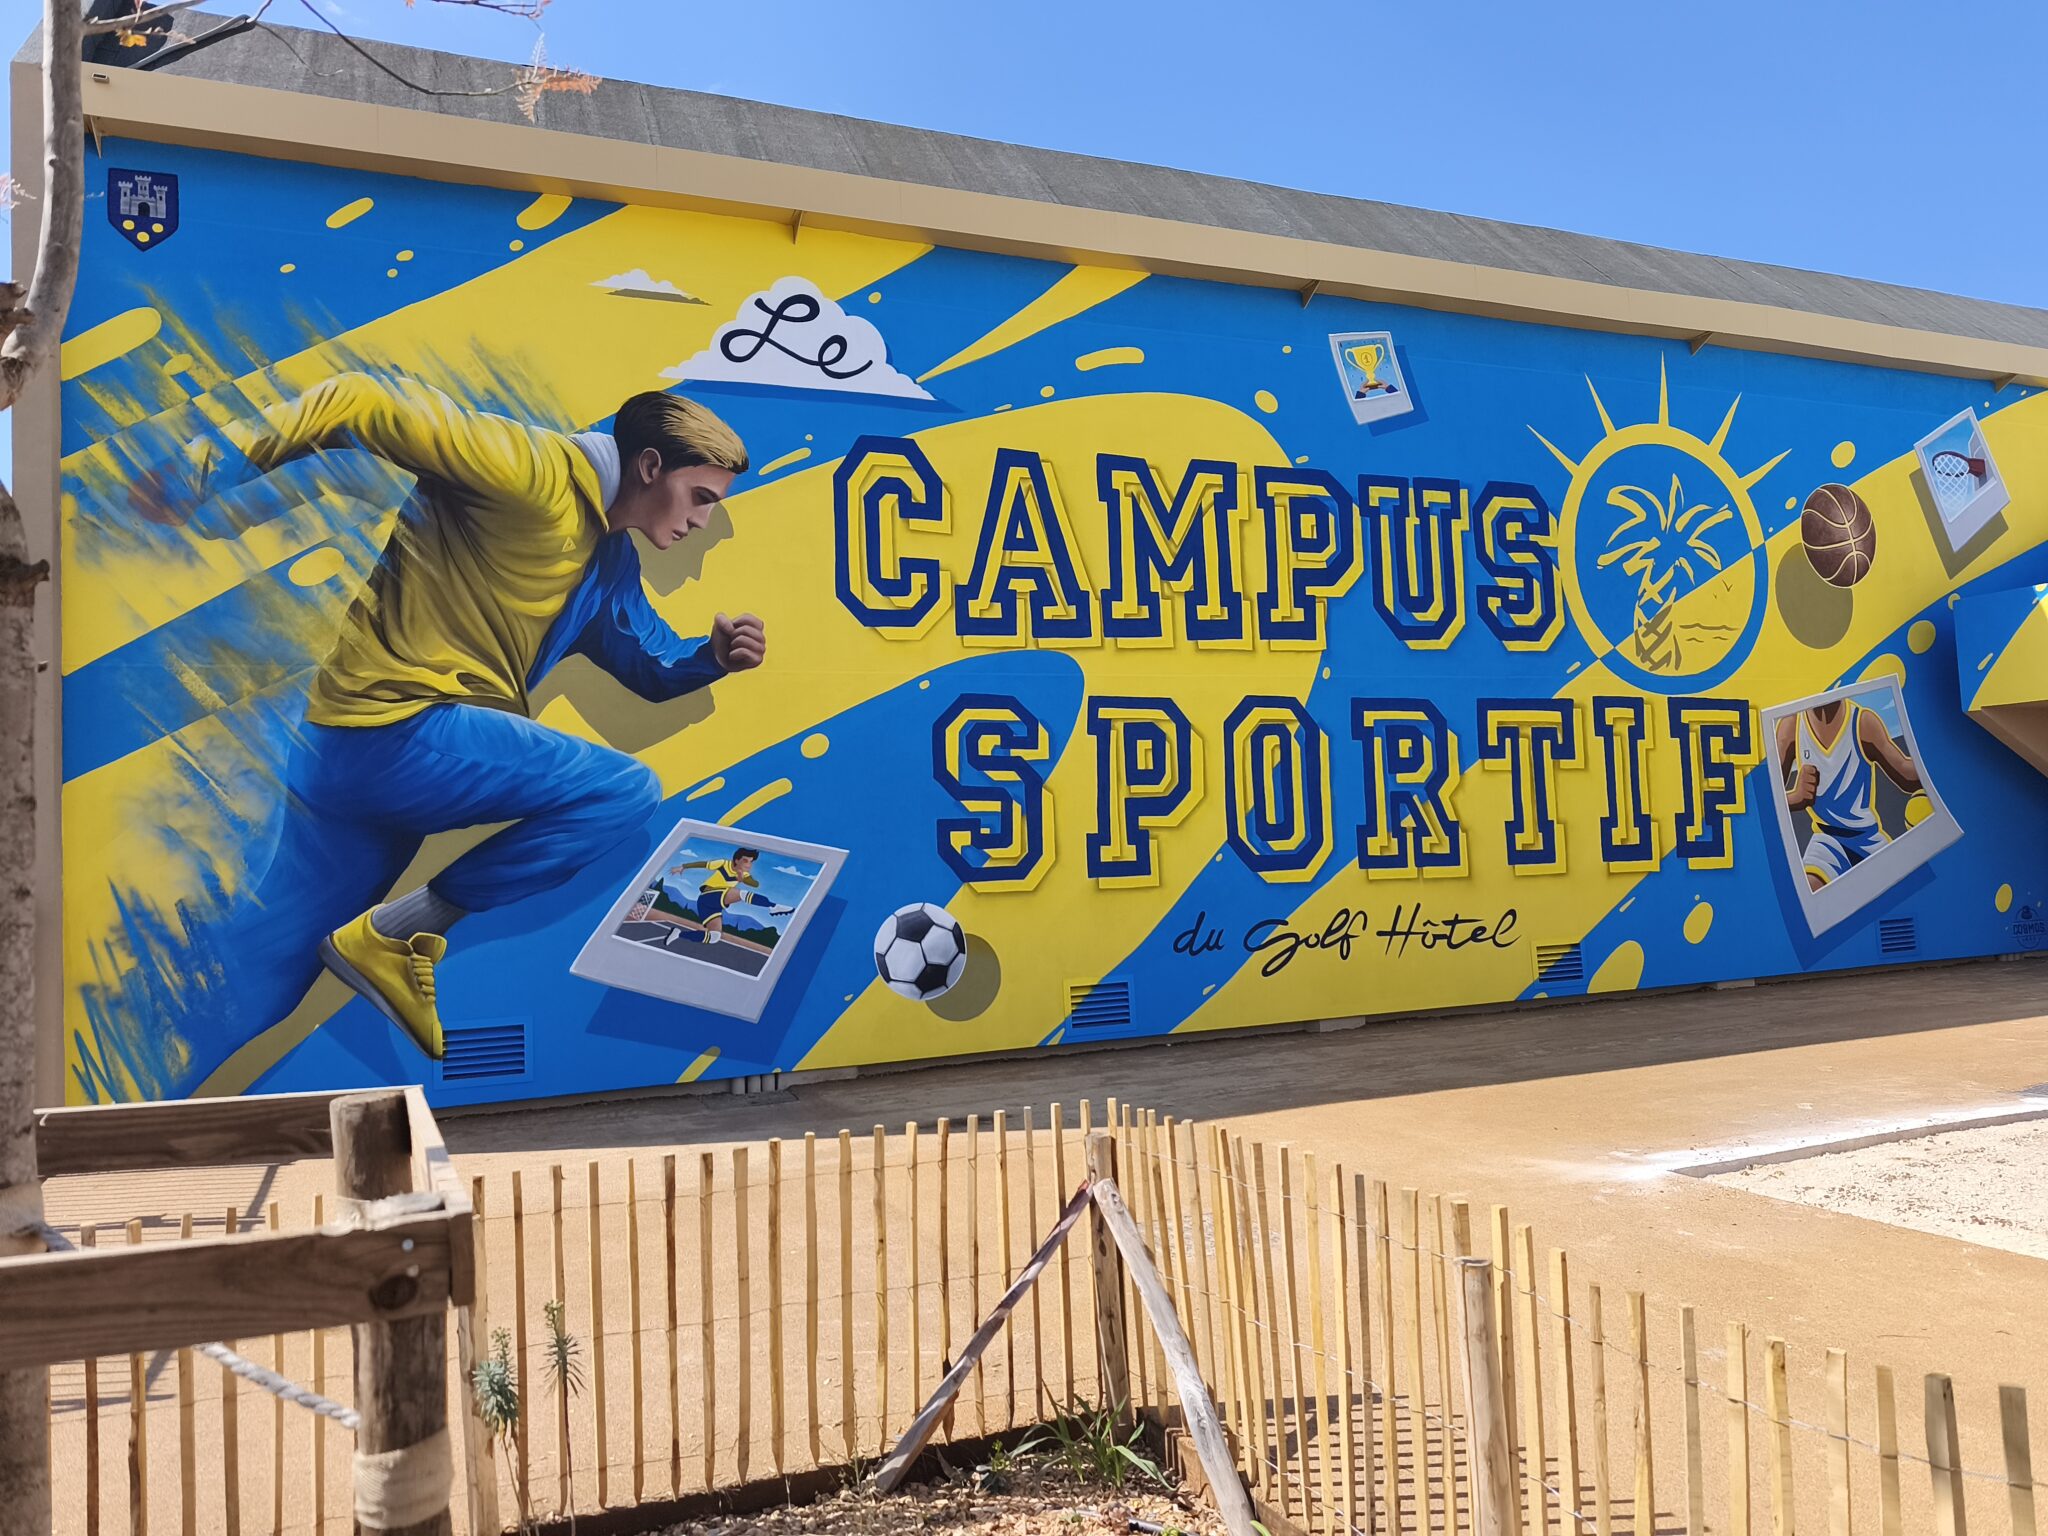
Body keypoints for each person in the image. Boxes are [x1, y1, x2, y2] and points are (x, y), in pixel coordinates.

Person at [135, 372, 766, 1058]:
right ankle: (401, 930)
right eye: (701, 497)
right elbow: (363, 400)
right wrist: (198, 471)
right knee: (621, 790)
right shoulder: (533, 472)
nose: (702, 521)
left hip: (361, 756)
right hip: (398, 731)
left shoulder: (607, 560)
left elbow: (643, 659)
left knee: (260, 979)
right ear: (649, 466)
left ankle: (134, 1065)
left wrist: (710, 657)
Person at [1775, 695, 1922, 891]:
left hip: (1869, 839)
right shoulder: (1791, 726)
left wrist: (1936, 754)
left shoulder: (1863, 722)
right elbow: (1765, 801)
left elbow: (1906, 774)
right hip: (1826, 840)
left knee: (1907, 890)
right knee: (1808, 889)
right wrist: (1794, 798)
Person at [663, 849, 793, 946]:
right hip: (708, 895)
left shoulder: (744, 874)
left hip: (712, 905)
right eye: (745, 860)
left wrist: (742, 879)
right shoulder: (723, 864)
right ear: (736, 860)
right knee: (741, 894)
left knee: (714, 937)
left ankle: (678, 934)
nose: (748, 864)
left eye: (751, 862)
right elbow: (704, 864)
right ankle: (773, 906)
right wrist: (683, 866)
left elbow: (755, 884)